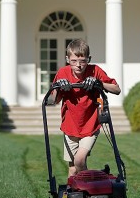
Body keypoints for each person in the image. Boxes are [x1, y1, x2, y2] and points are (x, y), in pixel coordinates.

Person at [49, 39, 121, 178]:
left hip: (90, 125)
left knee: (80, 160)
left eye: (82, 61)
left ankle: (89, 189)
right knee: (72, 169)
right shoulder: (62, 73)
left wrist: (98, 82)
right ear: (67, 59)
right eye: (74, 61)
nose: (79, 65)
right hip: (70, 126)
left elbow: (116, 89)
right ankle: (75, 197)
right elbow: (54, 100)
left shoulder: (95, 71)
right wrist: (58, 87)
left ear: (89, 59)